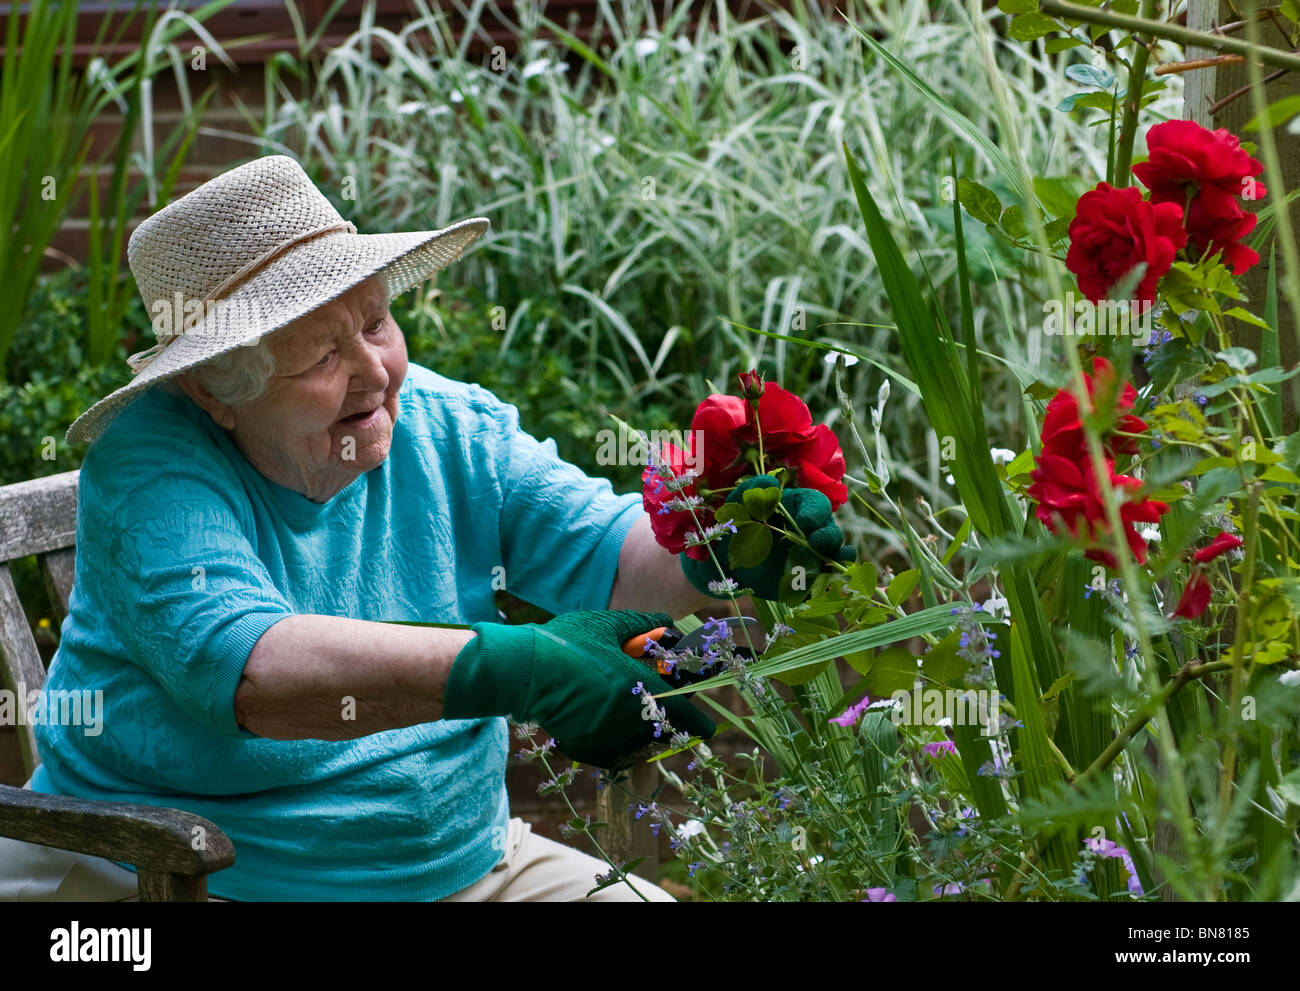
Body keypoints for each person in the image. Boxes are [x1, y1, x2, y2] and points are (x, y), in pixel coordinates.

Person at [0, 155, 842, 902]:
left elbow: (610, 561)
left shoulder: (449, 427)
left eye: (375, 322)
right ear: (218, 393)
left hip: (459, 865)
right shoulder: (149, 468)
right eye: (324, 356)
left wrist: (715, 543)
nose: (378, 370)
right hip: (179, 874)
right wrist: (520, 663)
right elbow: (252, 671)